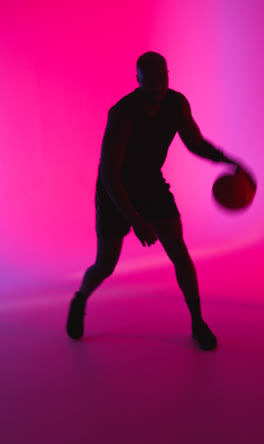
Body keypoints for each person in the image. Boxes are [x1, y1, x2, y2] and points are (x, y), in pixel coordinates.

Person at [66, 51, 242, 350]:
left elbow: (195, 142)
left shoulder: (176, 104)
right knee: (106, 264)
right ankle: (80, 299)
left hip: (149, 182)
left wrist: (229, 161)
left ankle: (197, 322)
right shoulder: (122, 114)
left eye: (163, 77)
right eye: (151, 80)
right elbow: (110, 176)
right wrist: (137, 221)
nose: (159, 85)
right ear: (138, 81)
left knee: (178, 251)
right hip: (114, 190)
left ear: (167, 75)